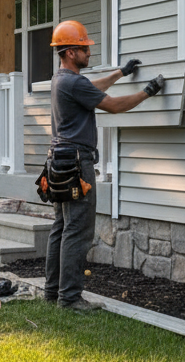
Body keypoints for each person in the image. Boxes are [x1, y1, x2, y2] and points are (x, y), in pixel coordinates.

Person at [45, 19, 165, 312]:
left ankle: (52, 291)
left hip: (58, 163)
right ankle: (70, 298)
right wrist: (148, 91)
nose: (89, 53)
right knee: (78, 231)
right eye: (85, 49)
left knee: (61, 227)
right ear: (71, 52)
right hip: (76, 164)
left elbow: (90, 88)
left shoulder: (61, 80)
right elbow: (113, 105)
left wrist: (120, 73)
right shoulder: (72, 82)